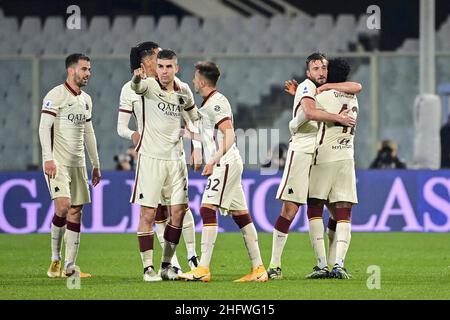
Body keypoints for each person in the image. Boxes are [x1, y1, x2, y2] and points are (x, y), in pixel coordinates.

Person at [267, 52, 361, 280]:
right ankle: (275, 265)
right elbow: (308, 112)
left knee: (327, 210)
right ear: (308, 72)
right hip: (302, 153)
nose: (320, 72)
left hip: (323, 156)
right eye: (316, 69)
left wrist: (301, 101)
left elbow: (355, 86)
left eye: (323, 68)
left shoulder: (322, 90)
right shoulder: (309, 88)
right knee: (291, 208)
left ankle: (328, 264)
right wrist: (299, 103)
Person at [178, 61, 268, 282]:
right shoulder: (208, 104)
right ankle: (259, 270)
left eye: (194, 77)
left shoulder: (216, 103)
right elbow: (208, 134)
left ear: (200, 81)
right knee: (242, 216)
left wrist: (214, 160)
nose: (192, 81)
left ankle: (203, 269)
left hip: (225, 163)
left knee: (207, 209)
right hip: (227, 162)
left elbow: (230, 135)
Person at [117, 43, 200, 281]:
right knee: (151, 213)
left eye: (167, 63)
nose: (162, 66)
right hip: (151, 157)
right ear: (148, 62)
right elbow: (134, 94)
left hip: (176, 159)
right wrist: (134, 135)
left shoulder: (182, 88)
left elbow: (194, 120)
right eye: (158, 59)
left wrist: (197, 146)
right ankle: (153, 267)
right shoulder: (141, 86)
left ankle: (189, 257)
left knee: (179, 210)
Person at [39, 53, 101, 278]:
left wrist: (96, 163)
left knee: (76, 211)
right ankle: (54, 260)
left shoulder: (86, 99)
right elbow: (44, 128)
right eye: (84, 69)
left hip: (78, 164)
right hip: (58, 163)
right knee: (63, 207)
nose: (88, 74)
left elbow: (89, 132)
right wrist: (48, 157)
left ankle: (69, 266)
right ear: (71, 70)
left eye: (89, 70)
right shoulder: (55, 95)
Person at [306, 58, 360, 279]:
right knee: (343, 211)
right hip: (347, 158)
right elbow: (357, 86)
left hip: (324, 157)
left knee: (314, 207)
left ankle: (321, 265)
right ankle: (338, 264)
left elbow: (308, 111)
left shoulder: (323, 95)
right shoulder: (354, 98)